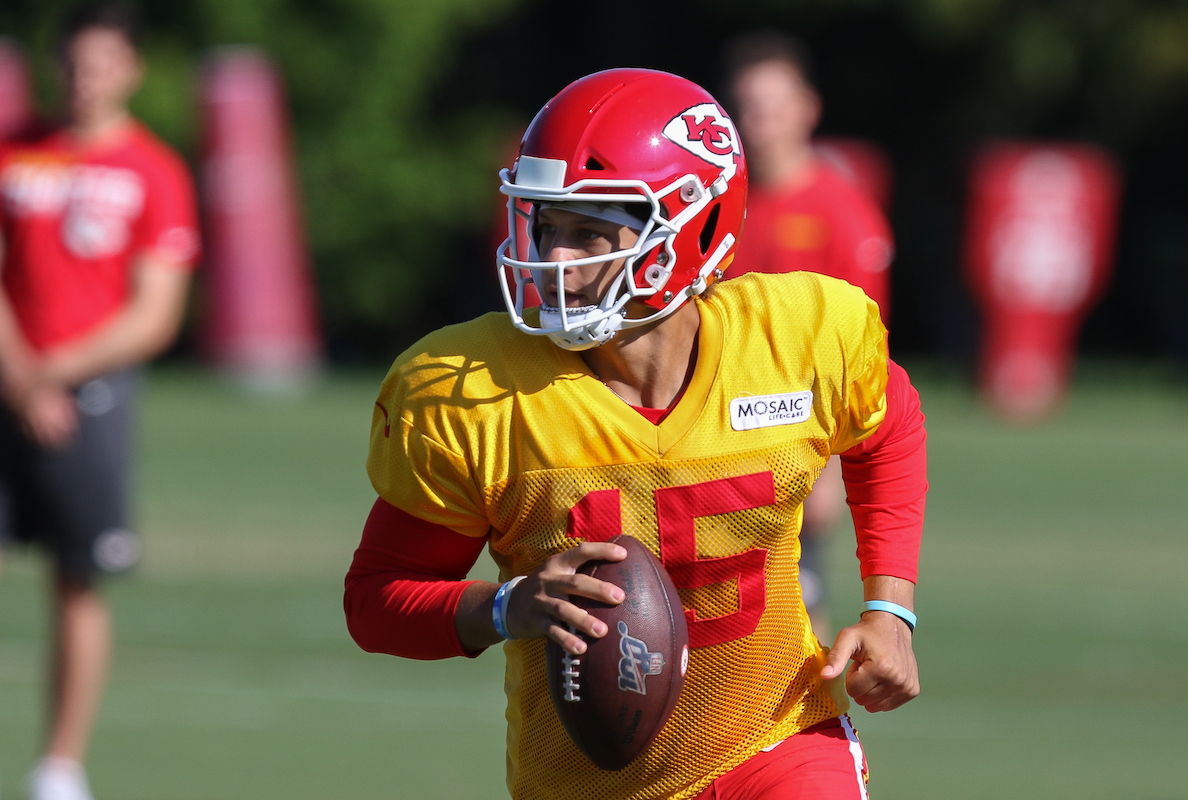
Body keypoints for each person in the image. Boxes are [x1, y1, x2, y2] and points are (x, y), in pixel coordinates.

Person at [345, 69, 925, 799]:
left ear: (695, 228)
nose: (554, 260)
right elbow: (376, 601)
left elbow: (891, 427)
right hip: (584, 782)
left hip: (778, 736)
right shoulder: (474, 391)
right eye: (546, 226)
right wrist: (504, 607)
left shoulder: (795, 337)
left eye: (588, 230)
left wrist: (889, 608)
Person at [0, 5, 199, 799]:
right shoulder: (13, 151)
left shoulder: (155, 171)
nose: (85, 79)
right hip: (6, 379)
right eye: (74, 63)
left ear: (132, 70)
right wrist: (18, 374)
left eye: (103, 63)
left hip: (90, 397)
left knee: (78, 578)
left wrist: (50, 375)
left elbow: (155, 313)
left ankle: (59, 766)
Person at [723, 31, 896, 641]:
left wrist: (830, 465)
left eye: (773, 106)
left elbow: (862, 354)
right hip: (712, 432)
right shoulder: (723, 205)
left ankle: (810, 703)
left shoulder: (841, 213)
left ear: (807, 109)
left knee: (795, 608)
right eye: (747, 107)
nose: (760, 122)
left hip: (796, 436)